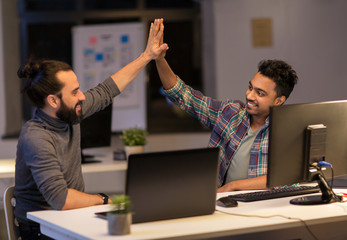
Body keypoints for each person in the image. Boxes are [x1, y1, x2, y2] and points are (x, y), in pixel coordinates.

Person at [14, 19, 168, 239]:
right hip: (41, 230)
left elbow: (108, 89)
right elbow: (62, 200)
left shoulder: (69, 114)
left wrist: (147, 56)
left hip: (70, 220)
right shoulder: (36, 137)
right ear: (53, 100)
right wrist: (104, 200)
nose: (82, 96)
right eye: (75, 92)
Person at [155, 28, 298, 193]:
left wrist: (233, 186)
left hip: (263, 208)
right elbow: (183, 95)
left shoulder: (286, 131)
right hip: (223, 204)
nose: (249, 96)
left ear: (279, 101)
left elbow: (287, 178)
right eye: (250, 87)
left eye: (260, 93)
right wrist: (160, 60)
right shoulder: (230, 113)